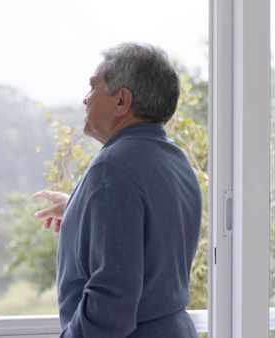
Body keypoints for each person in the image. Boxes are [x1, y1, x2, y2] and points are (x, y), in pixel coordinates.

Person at [33, 43, 202, 337]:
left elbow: (112, 301)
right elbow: (149, 228)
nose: (85, 100)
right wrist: (77, 207)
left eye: (93, 88)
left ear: (122, 101)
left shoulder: (113, 168)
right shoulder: (173, 160)